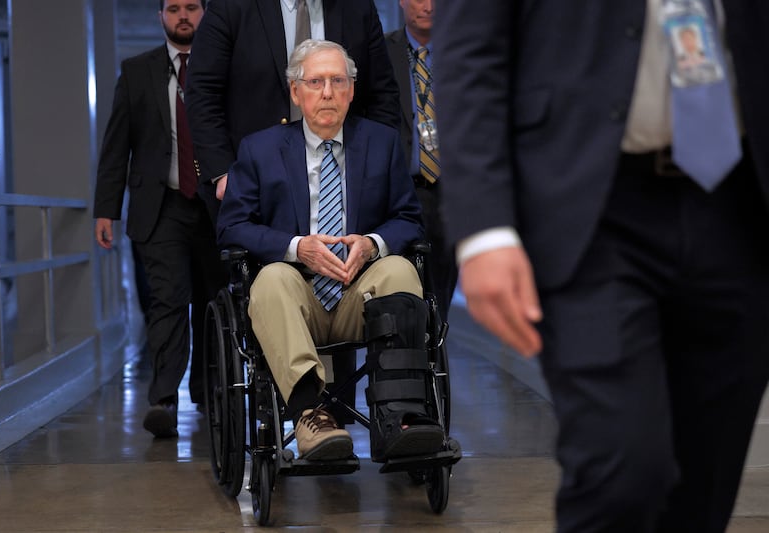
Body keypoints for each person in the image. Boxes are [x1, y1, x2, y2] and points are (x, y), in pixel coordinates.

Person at [434, 1, 769, 532]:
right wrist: (483, 226)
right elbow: (470, 48)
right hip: (591, 209)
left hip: (735, 206)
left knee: (705, 484)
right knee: (622, 469)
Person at [217, 39, 443, 462]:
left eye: (337, 81)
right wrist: (295, 247)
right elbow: (231, 227)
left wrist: (372, 244)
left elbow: (408, 219)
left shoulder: (382, 143)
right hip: (294, 301)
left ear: (352, 90)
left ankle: (399, 415)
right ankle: (311, 415)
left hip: (360, 296)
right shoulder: (260, 149)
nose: (327, 92)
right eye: (315, 81)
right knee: (272, 277)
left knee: (397, 268)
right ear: (295, 92)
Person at [93, 0, 225, 438]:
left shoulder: (223, 68)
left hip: (217, 205)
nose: (182, 15)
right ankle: (164, 400)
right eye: (173, 8)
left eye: (191, 7)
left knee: (215, 300)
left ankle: (211, 393)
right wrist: (106, 209)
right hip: (161, 207)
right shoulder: (136, 72)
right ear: (161, 17)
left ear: (205, 13)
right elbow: (117, 147)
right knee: (168, 299)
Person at [184, 0, 400, 225]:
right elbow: (202, 93)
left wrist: (379, 167)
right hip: (255, 183)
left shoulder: (357, 7)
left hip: (344, 180)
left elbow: (382, 94)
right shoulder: (231, 6)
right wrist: (223, 172)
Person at [385, 0, 457, 320]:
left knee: (443, 288)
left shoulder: (463, 51)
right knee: (405, 288)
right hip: (402, 190)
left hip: (453, 191)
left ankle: (435, 363)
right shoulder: (382, 53)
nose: (427, 5)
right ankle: (409, 363)